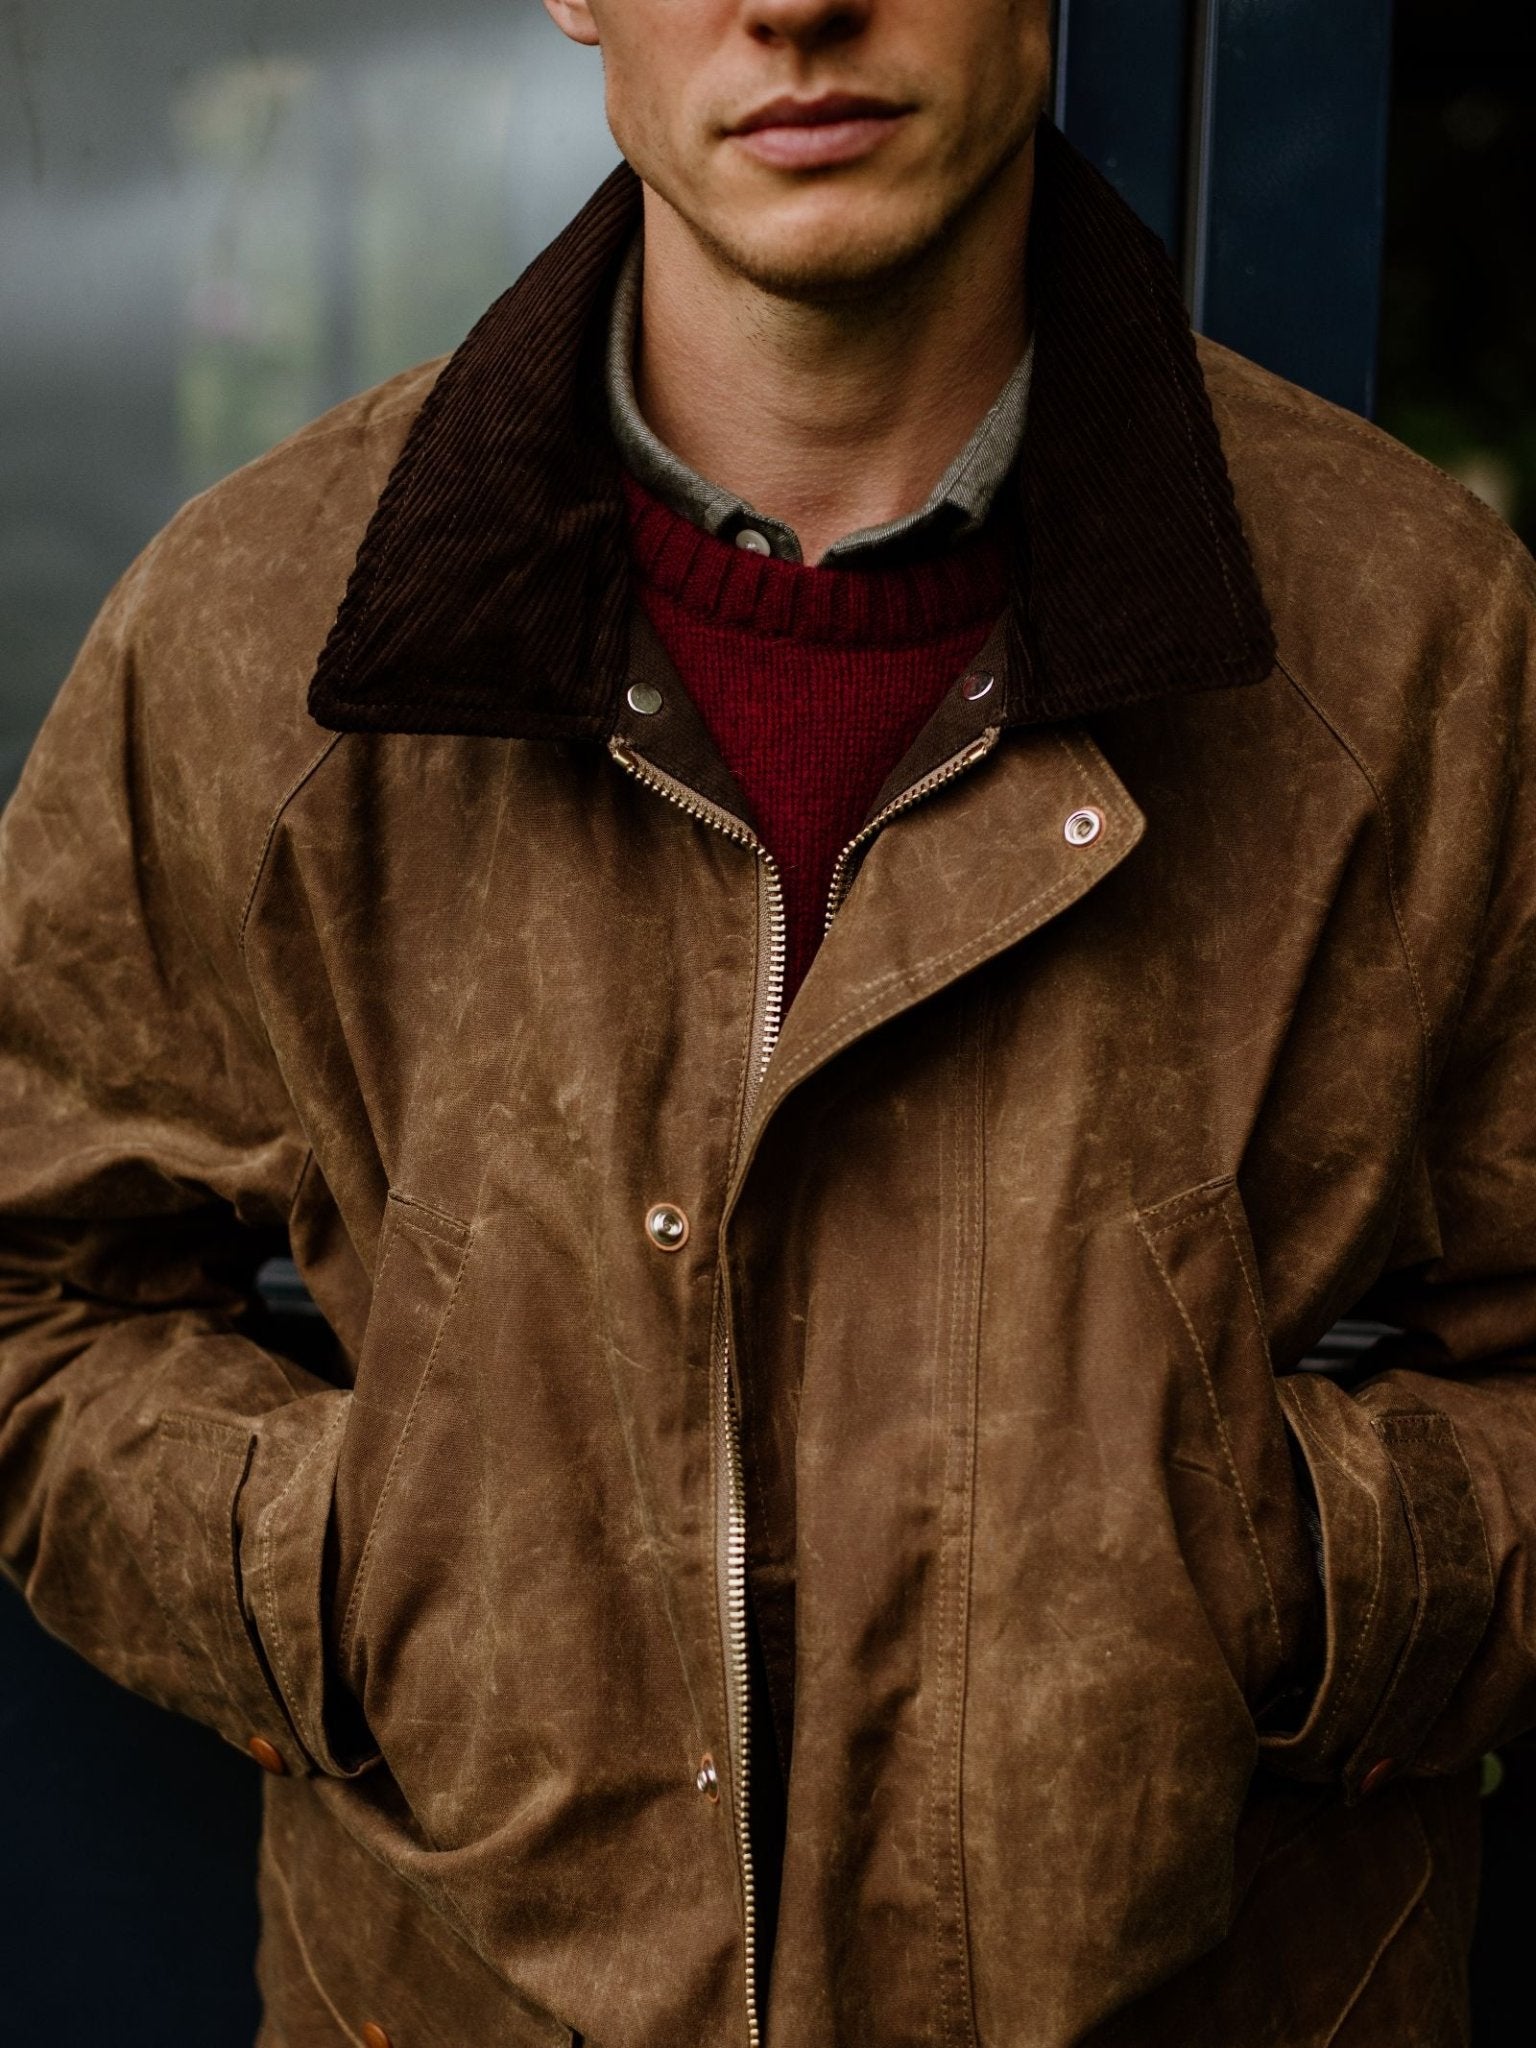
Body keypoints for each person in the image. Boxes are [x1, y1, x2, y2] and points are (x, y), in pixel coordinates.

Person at [1, 0, 1532, 2041]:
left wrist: (1284, 1579)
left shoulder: (1419, 634)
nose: (796, 4)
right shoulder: (256, 632)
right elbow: (33, 1283)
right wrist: (356, 1573)